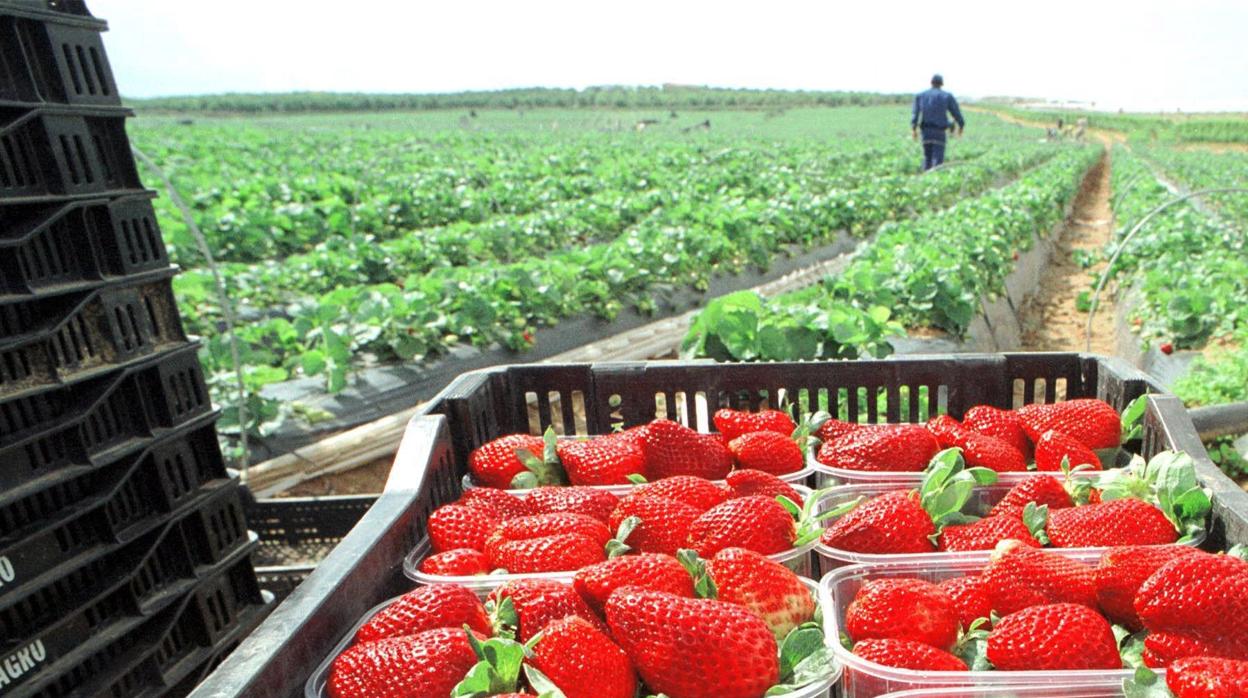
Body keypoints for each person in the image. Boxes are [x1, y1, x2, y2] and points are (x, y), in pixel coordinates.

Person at [910, 74, 965, 171]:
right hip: (939, 132)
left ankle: (926, 179)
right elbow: (956, 113)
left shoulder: (920, 96)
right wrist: (961, 126)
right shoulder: (947, 96)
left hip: (925, 132)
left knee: (927, 157)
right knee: (937, 159)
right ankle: (934, 180)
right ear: (941, 84)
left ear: (931, 83)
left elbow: (915, 114)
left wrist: (914, 129)